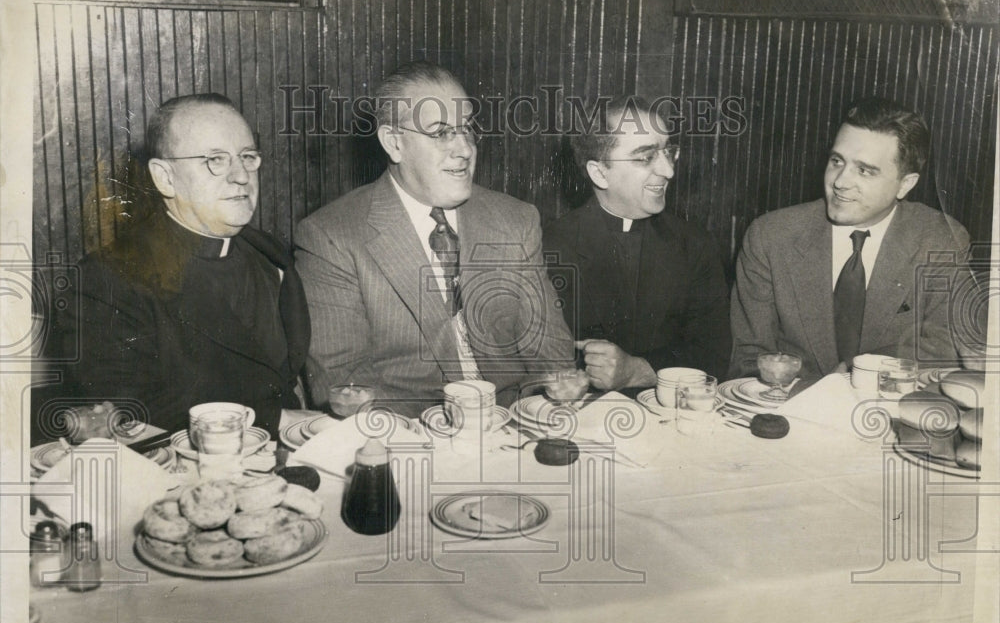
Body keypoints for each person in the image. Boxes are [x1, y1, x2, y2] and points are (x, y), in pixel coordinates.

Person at [295, 61, 574, 415]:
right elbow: (344, 381)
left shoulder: (515, 219)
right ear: (394, 143)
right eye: (441, 133)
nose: (465, 149)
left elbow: (549, 350)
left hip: (514, 425)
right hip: (407, 435)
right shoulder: (331, 236)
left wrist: (544, 407)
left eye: (468, 129)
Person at [46, 94, 310, 436]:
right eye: (215, 160)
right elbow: (129, 414)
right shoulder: (104, 281)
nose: (241, 176)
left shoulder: (271, 256)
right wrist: (278, 420)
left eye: (247, 157)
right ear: (164, 177)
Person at [729, 96, 970, 380]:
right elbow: (748, 361)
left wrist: (859, 378)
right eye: (836, 161)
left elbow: (940, 356)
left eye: (864, 170)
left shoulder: (940, 240)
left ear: (905, 184)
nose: (840, 181)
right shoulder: (771, 237)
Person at [543, 96, 731, 391]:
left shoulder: (695, 245)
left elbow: (715, 356)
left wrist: (639, 371)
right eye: (646, 157)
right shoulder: (547, 247)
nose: (668, 171)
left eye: (668, 152)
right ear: (599, 173)